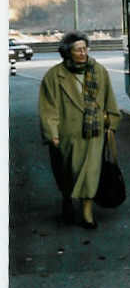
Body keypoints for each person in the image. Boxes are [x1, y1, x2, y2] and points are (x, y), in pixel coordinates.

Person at [39, 32, 121, 229]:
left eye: (85, 48)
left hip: (94, 133)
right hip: (68, 134)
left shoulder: (99, 71)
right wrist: (52, 133)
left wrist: (112, 121)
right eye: (78, 49)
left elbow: (109, 98)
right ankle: (67, 199)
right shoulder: (54, 76)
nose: (83, 53)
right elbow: (48, 107)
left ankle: (86, 212)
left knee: (90, 173)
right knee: (68, 173)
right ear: (67, 52)